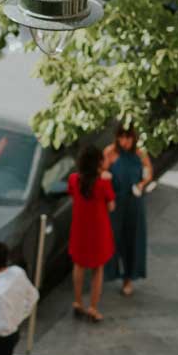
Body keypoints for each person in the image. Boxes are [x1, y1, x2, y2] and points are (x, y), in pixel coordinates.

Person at [67, 142, 115, 323]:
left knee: (78, 265)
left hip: (80, 230)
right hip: (98, 231)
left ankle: (78, 302)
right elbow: (111, 206)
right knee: (97, 269)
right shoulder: (103, 183)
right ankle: (93, 307)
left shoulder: (73, 179)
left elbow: (72, 194)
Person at [103, 126, 153, 295]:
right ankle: (109, 272)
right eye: (121, 137)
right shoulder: (110, 152)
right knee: (113, 237)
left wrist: (141, 184)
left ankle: (128, 279)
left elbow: (148, 173)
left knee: (132, 239)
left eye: (128, 138)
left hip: (134, 202)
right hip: (116, 203)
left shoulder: (140, 154)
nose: (124, 142)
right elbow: (102, 172)